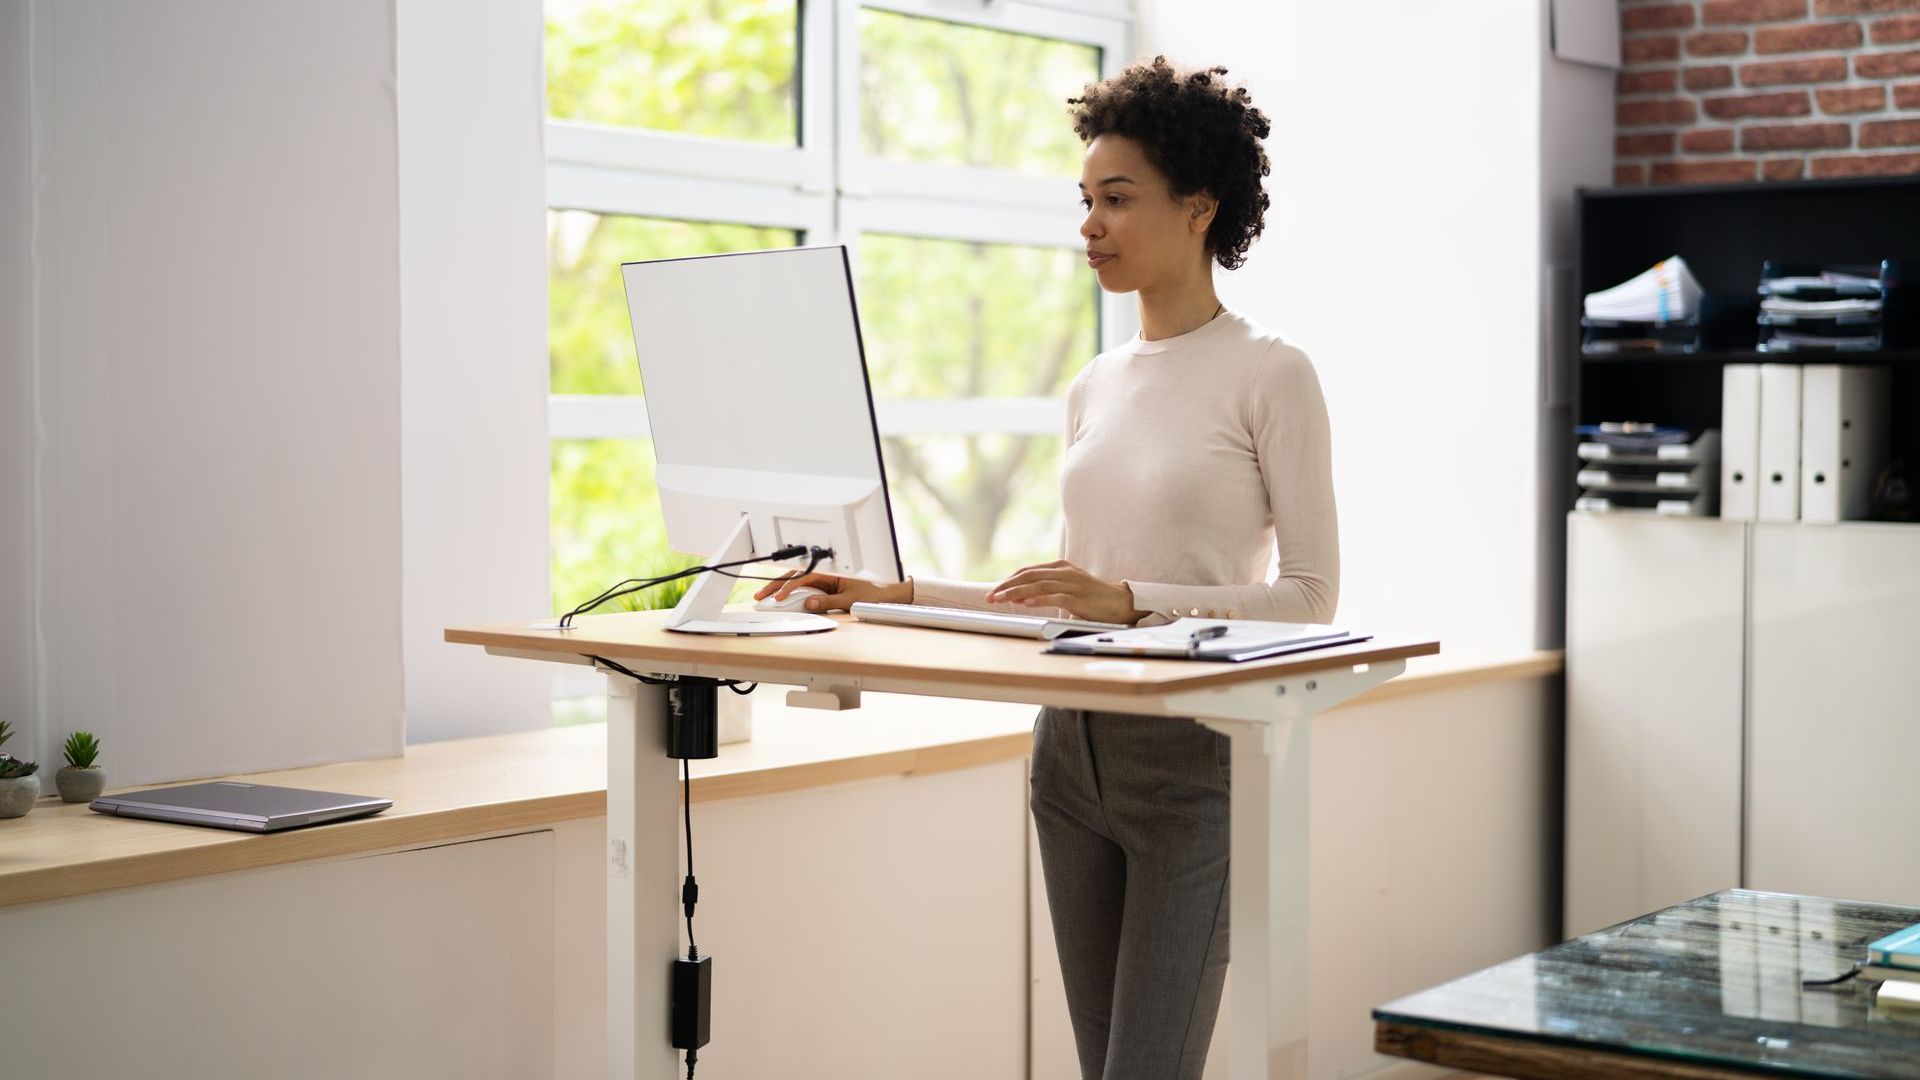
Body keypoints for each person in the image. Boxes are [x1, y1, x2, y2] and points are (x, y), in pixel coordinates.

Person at [755, 55, 1336, 1080]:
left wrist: (1131, 603)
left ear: (1200, 208)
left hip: (1193, 764)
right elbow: (1061, 602)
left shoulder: (1270, 373)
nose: (1090, 226)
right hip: (1067, 756)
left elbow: (1310, 598)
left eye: (1118, 200)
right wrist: (899, 594)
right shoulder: (1094, 385)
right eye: (1085, 200)